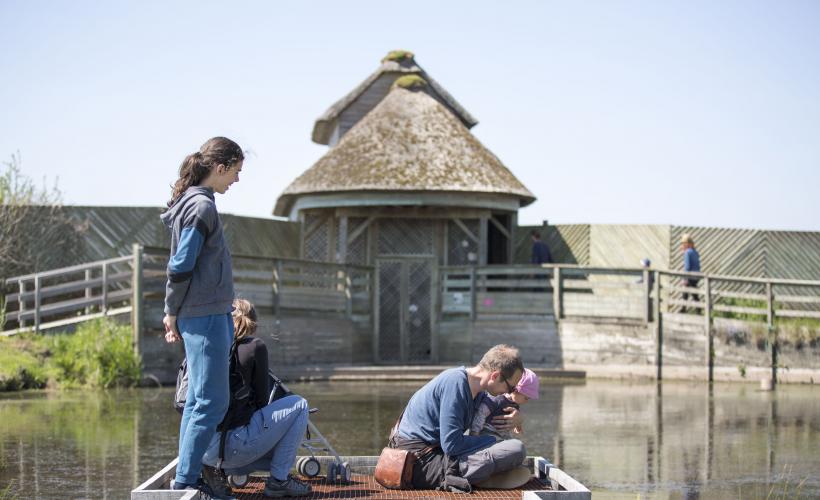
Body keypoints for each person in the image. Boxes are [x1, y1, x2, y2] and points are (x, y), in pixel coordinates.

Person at [161, 137, 244, 496]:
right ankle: (187, 479)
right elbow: (180, 265)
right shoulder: (200, 208)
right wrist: (170, 309)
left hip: (208, 313)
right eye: (236, 172)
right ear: (220, 167)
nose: (237, 181)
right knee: (212, 402)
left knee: (198, 399)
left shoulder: (195, 202)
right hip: (205, 315)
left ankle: (187, 473)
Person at [200, 299, 312, 498]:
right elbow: (261, 401)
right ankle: (278, 481)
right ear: (253, 322)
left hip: (203, 448)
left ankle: (219, 470)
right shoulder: (255, 346)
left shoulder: (210, 345)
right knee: (299, 405)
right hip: (233, 447)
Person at [390, 344, 526, 492]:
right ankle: (465, 476)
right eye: (511, 388)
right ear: (495, 376)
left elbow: (497, 413)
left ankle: (479, 473)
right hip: (417, 463)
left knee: (510, 448)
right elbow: (451, 444)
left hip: (437, 453)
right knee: (516, 449)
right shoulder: (455, 384)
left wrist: (518, 420)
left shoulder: (478, 392)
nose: (509, 393)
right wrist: (494, 441)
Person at [470, 368, 539, 440]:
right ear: (515, 390)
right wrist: (475, 432)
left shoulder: (514, 403)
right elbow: (481, 412)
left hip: (502, 433)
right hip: (489, 431)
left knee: (515, 445)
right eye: (526, 398)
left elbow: (516, 417)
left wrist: (518, 425)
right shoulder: (497, 399)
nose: (526, 402)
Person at [681, 234, 701, 312]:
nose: (682, 245)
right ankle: (697, 309)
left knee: (687, 292)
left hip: (690, 276)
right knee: (692, 293)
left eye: (683, 243)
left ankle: (684, 309)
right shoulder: (695, 252)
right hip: (696, 276)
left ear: (687, 244)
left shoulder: (687, 253)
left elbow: (687, 267)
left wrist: (685, 278)